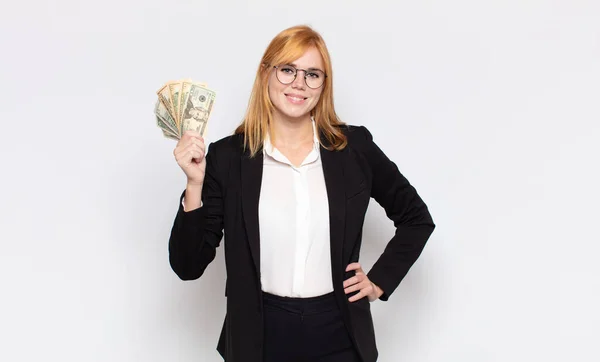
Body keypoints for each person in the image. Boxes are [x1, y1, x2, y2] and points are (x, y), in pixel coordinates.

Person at [169, 25, 435, 362]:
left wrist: (378, 281)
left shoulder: (354, 150)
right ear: (266, 73)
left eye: (312, 74)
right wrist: (194, 185)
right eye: (287, 70)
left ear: (324, 85)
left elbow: (416, 218)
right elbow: (187, 265)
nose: (299, 83)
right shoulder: (227, 158)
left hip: (339, 332)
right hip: (259, 334)